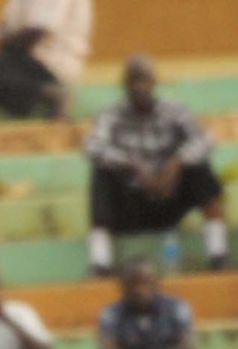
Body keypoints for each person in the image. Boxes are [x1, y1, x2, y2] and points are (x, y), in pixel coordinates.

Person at [82, 57, 229, 278]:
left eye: (144, 80)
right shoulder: (111, 114)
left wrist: (177, 163)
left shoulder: (174, 110)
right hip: (132, 203)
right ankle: (100, 262)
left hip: (168, 196)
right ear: (124, 84)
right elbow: (92, 147)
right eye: (133, 80)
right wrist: (132, 165)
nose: (139, 86)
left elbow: (205, 140)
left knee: (200, 168)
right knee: (101, 173)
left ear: (154, 82)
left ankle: (219, 254)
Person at [0, 0, 93, 119]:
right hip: (24, 61)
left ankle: (51, 94)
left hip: (49, 63)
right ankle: (35, 102)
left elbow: (38, 30)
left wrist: (7, 48)